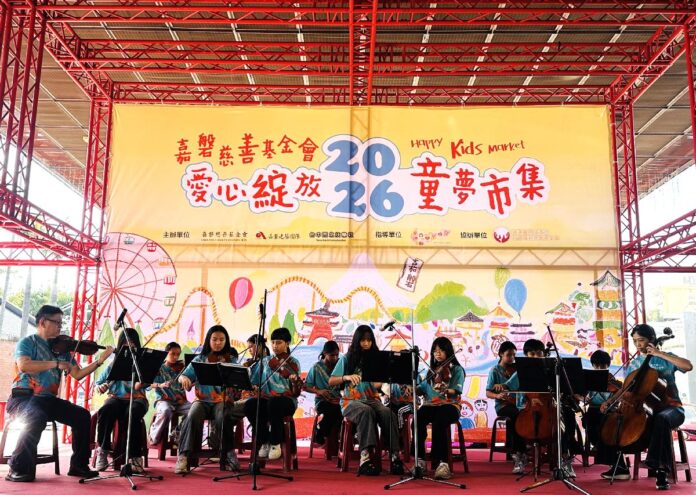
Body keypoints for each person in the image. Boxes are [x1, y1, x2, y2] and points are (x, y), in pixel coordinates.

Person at [5, 305, 113, 482]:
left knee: (82, 416)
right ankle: (18, 467)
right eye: (57, 322)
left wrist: (100, 361)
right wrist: (55, 364)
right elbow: (24, 365)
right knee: (35, 417)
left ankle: (78, 465)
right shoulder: (28, 342)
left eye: (61, 323)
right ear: (42, 322)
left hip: (48, 400)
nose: (60, 327)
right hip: (23, 397)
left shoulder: (62, 349)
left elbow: (78, 374)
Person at [600, 324, 692, 490]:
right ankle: (619, 465)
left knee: (661, 418)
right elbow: (626, 388)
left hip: (672, 408)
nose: (638, 345)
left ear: (651, 340)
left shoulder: (666, 358)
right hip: (645, 410)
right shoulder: (635, 364)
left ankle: (660, 469)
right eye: (635, 341)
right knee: (614, 419)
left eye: (641, 340)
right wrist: (610, 401)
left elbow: (688, 366)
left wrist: (659, 353)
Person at [328, 325, 404, 476]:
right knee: (366, 411)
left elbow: (375, 384)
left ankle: (395, 457)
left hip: (372, 399)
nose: (366, 343)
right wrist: (346, 377)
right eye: (363, 340)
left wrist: (386, 378)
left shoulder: (376, 359)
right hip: (350, 401)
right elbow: (331, 381)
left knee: (388, 413)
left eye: (369, 341)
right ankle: (365, 458)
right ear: (357, 341)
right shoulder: (346, 358)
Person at [175, 325, 243, 474]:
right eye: (214, 339)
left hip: (221, 401)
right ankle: (183, 455)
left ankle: (229, 452)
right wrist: (184, 378)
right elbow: (182, 376)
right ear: (208, 340)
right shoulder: (200, 359)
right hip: (202, 400)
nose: (218, 343)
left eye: (221, 340)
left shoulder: (231, 360)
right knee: (192, 415)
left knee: (223, 416)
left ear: (226, 341)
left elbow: (239, 381)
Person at [94, 327, 149, 474]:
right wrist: (100, 387)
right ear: (120, 345)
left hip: (137, 399)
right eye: (125, 343)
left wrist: (143, 383)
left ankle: (135, 456)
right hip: (116, 398)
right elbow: (98, 383)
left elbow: (149, 386)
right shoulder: (113, 363)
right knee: (106, 409)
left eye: (133, 343)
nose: (129, 346)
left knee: (133, 412)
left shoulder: (142, 363)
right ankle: (103, 450)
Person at [244, 327, 301, 461]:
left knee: (274, 403)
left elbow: (296, 393)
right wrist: (254, 386)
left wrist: (294, 382)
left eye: (279, 342)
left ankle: (275, 443)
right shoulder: (265, 361)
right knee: (250, 405)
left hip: (286, 401)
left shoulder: (293, 363)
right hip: (267, 399)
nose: (275, 346)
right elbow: (253, 380)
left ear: (287, 343)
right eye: (273, 342)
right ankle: (264, 441)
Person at [413, 336, 465, 480]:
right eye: (435, 350)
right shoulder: (430, 371)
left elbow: (456, 391)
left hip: (450, 406)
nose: (438, 353)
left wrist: (445, 389)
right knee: (417, 418)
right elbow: (421, 389)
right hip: (432, 405)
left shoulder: (457, 370)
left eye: (441, 350)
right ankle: (420, 460)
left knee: (439, 421)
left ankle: (443, 463)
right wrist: (412, 388)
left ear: (448, 351)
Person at [486, 340, 526, 473]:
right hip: (503, 406)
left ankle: (524, 450)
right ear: (501, 354)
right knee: (516, 415)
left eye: (514, 355)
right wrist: (497, 396)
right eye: (509, 355)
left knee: (523, 414)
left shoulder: (517, 369)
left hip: (518, 404)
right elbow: (488, 392)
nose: (512, 358)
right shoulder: (495, 370)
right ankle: (518, 453)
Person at [148, 341, 191, 446]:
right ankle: (153, 436)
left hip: (180, 402)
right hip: (163, 400)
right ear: (166, 353)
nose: (176, 357)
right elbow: (148, 384)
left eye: (178, 354)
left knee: (195, 410)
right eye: (173, 354)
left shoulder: (182, 368)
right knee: (166, 410)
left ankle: (177, 431)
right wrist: (160, 385)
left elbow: (187, 388)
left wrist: (189, 384)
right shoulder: (159, 368)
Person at [304, 340, 342, 446]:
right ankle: (324, 435)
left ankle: (330, 438)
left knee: (343, 411)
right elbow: (306, 386)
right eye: (332, 355)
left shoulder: (340, 366)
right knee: (334, 411)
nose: (335, 358)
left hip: (339, 400)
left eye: (337, 355)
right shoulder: (316, 367)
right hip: (322, 401)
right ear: (325, 354)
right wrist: (318, 391)